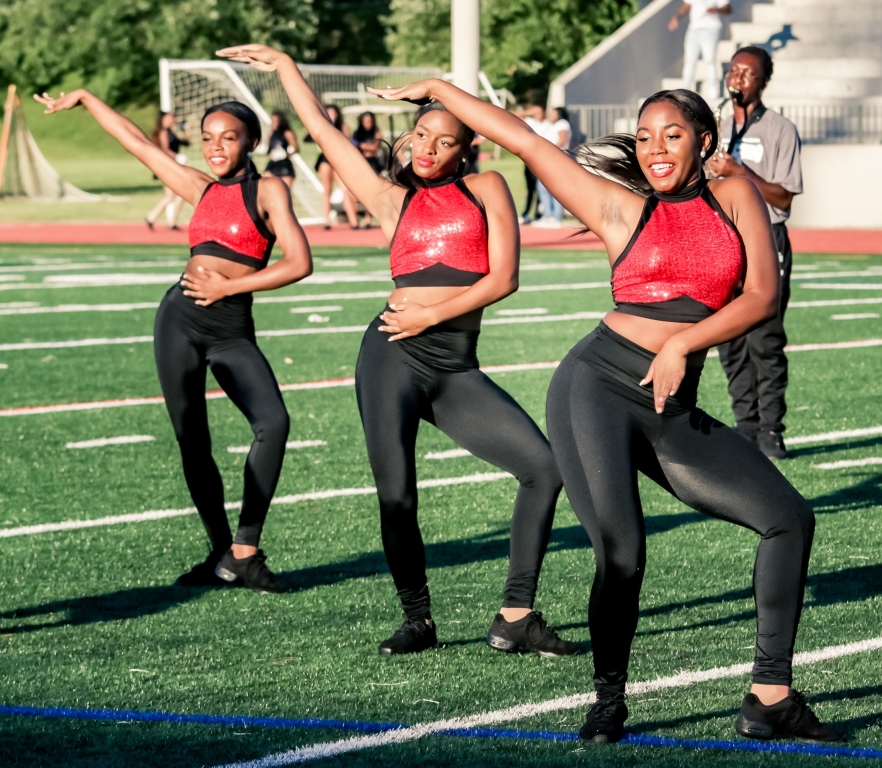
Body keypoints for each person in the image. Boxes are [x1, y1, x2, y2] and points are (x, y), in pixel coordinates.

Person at [370, 78, 841, 743]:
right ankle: (609, 700)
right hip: (596, 387)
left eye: (672, 135)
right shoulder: (619, 208)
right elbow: (521, 139)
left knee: (788, 519)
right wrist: (444, 90)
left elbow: (762, 295)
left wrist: (683, 340)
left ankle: (770, 697)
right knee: (622, 553)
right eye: (644, 136)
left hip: (669, 403)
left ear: (704, 140)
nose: (655, 148)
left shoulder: (734, 193)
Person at [218, 43, 577, 659]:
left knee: (543, 468)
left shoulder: (488, 186)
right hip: (390, 356)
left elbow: (504, 279)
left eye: (443, 139)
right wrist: (285, 69)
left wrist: (434, 312)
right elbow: (325, 134)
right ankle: (418, 618)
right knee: (398, 494)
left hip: (453, 362)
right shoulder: (392, 200)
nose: (427, 148)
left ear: (467, 148)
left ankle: (515, 615)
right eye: (419, 136)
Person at [36, 90, 313, 592]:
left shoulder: (269, 190)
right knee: (193, 440)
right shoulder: (200, 187)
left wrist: (228, 285)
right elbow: (137, 142)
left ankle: (245, 551)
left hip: (230, 327)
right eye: (207, 138)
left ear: (250, 140)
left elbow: (299, 262)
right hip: (178, 320)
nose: (215, 147)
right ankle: (219, 553)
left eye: (228, 138)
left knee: (273, 421)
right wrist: (85, 99)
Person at [706, 46, 802, 460]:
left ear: (764, 80)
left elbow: (784, 196)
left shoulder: (781, 129)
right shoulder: (718, 127)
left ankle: (771, 430)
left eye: (748, 73)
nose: (738, 78)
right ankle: (745, 428)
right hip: (726, 240)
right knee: (730, 339)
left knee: (765, 339)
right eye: (734, 70)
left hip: (767, 239)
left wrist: (738, 173)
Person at [669, 1, 732, 99]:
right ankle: (685, 89)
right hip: (694, 29)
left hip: (711, 28)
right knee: (689, 60)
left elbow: (728, 9)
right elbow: (687, 6)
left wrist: (714, 10)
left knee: (710, 60)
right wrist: (676, 17)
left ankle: (713, 89)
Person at [313, 104, 359, 229]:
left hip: (338, 159)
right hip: (325, 159)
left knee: (346, 189)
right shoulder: (321, 126)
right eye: (329, 113)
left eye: (333, 113)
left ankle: (353, 221)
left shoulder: (343, 128)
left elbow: (346, 144)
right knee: (327, 189)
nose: (332, 116)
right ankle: (327, 221)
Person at [145, 111, 189, 230]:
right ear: (164, 118)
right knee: (173, 195)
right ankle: (155, 218)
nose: (173, 118)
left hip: (174, 166)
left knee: (179, 194)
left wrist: (183, 131)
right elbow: (164, 150)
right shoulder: (163, 132)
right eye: (171, 117)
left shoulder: (171, 132)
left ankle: (159, 219)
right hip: (168, 167)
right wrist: (177, 157)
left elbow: (187, 143)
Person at [533, 107, 572, 228]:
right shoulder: (551, 125)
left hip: (557, 158)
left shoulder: (562, 124)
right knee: (542, 187)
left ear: (559, 114)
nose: (550, 115)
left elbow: (562, 139)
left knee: (555, 188)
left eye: (553, 113)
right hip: (548, 158)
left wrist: (549, 149)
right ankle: (548, 215)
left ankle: (556, 217)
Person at [265, 109, 299, 189]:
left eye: (276, 121)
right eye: (272, 121)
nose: (274, 123)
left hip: (284, 164)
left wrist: (286, 153)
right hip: (272, 164)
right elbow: (268, 149)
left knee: (286, 190)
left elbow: (296, 148)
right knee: (266, 185)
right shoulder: (271, 134)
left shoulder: (288, 133)